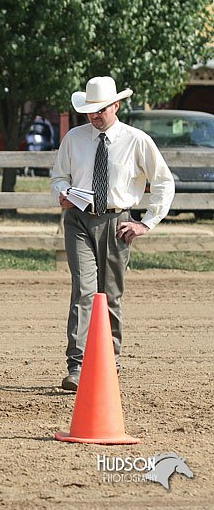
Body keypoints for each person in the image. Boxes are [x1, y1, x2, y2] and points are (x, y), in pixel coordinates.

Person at [50, 76, 175, 391]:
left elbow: (163, 181)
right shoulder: (74, 139)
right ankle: (77, 366)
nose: (95, 115)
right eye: (91, 110)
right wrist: (61, 193)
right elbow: (58, 176)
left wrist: (146, 222)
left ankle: (109, 361)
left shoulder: (136, 140)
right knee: (84, 291)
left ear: (116, 105)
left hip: (117, 222)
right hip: (78, 219)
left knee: (111, 295)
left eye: (101, 109)